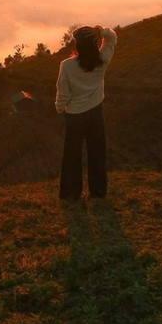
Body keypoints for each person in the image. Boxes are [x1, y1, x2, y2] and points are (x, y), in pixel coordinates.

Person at [55, 24, 118, 199]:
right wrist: (101, 31)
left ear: (78, 45)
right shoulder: (102, 60)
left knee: (72, 155)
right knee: (97, 152)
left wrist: (60, 108)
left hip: (74, 115)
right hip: (96, 112)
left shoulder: (67, 66)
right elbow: (112, 38)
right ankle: (98, 192)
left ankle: (71, 193)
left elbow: (63, 93)